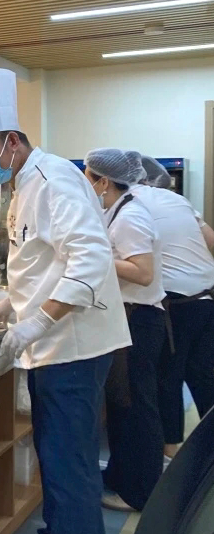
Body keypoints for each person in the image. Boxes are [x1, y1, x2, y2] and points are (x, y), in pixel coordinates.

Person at [0, 68, 131, 534]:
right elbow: (40, 258)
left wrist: (39, 320)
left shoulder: (54, 179)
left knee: (68, 462)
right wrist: (14, 301)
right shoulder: (23, 183)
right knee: (56, 459)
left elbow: (90, 260)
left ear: (13, 141)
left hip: (71, 346)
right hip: (52, 345)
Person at [83, 149, 166, 513]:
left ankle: (138, 492)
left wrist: (97, 257)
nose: (85, 184)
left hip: (140, 320)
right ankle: (121, 477)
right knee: (122, 406)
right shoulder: (116, 211)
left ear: (104, 182)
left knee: (135, 408)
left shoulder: (131, 216)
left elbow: (143, 273)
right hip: (127, 317)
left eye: (87, 177)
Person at [133, 155, 214, 459]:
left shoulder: (130, 203)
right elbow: (211, 240)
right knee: (204, 375)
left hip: (175, 303)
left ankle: (170, 452)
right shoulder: (178, 200)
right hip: (205, 298)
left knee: (168, 377)